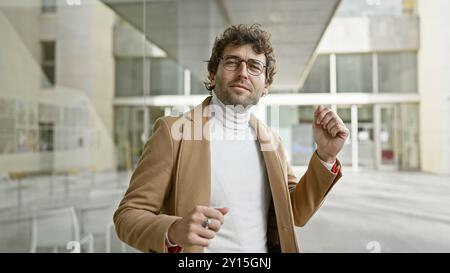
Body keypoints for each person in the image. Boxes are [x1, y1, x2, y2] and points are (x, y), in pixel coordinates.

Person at [113, 24, 349, 253]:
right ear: (212, 75)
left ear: (266, 85)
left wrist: (325, 156)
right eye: (232, 62)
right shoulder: (174, 133)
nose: (243, 72)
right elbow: (128, 215)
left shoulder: (271, 141)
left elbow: (294, 212)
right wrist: (173, 230)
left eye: (255, 66)